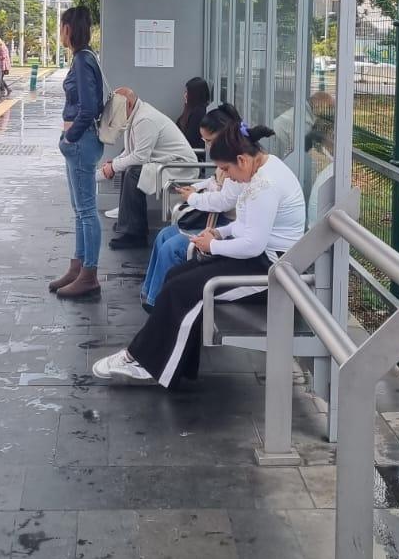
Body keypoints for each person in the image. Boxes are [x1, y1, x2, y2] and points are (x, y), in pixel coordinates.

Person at [93, 121, 305, 387]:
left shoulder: (265, 184)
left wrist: (212, 246)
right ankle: (171, 362)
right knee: (176, 275)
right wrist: (220, 233)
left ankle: (143, 361)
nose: (227, 177)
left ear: (242, 159)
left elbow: (253, 244)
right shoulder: (260, 171)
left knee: (184, 289)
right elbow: (248, 226)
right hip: (261, 260)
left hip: (271, 273)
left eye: (226, 169)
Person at [140, 103, 243, 310]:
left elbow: (225, 201)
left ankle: (161, 305)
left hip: (225, 224)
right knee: (164, 236)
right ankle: (151, 296)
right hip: (215, 220)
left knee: (172, 248)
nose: (208, 146)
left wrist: (194, 198)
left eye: (209, 141)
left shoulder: (238, 161)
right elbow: (215, 181)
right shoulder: (227, 156)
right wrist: (196, 187)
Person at [50, 4, 106, 301]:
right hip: (80, 142)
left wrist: (69, 138)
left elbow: (88, 108)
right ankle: (79, 266)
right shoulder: (83, 58)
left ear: (68, 29)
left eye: (61, 27)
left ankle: (89, 274)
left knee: (86, 210)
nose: (60, 33)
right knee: (80, 210)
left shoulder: (83, 60)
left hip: (81, 142)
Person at [101, 86, 201, 249]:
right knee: (128, 168)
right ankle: (126, 222)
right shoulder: (136, 115)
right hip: (168, 164)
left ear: (128, 104)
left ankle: (135, 234)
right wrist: (113, 163)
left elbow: (140, 157)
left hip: (181, 167)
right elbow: (129, 152)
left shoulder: (144, 119)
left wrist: (113, 167)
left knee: (134, 173)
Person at [176, 76, 212, 150]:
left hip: (192, 153)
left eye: (187, 92)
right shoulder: (194, 110)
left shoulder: (199, 112)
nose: (185, 95)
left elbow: (191, 140)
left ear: (194, 95)